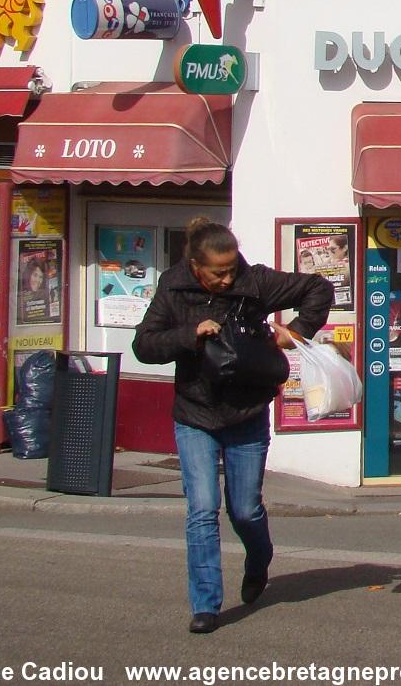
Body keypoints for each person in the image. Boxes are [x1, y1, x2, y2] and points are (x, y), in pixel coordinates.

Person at [133, 217, 331, 634]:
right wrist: (190, 334)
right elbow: (144, 345)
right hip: (195, 414)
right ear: (195, 266)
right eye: (217, 272)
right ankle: (205, 605)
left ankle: (259, 558)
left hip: (247, 413)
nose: (227, 278)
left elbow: (318, 287)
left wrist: (295, 332)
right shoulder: (173, 287)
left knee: (244, 510)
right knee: (202, 510)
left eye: (230, 270)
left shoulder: (254, 281)